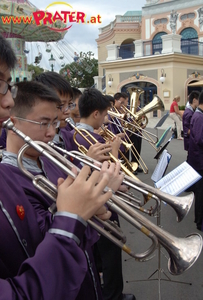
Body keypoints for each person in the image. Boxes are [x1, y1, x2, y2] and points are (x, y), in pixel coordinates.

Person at [0, 34, 113, 299]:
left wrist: (91, 208)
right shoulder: (9, 176)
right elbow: (37, 244)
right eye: (45, 122)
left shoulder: (50, 163)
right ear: (14, 121)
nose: (54, 130)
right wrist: (74, 217)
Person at [70, 88, 136, 300]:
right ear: (96, 113)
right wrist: (116, 150)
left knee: (105, 257)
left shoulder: (83, 134)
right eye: (106, 114)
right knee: (110, 258)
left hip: (100, 203)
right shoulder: (87, 138)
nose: (108, 119)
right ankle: (113, 296)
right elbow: (109, 173)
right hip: (102, 205)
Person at [187, 90, 203, 231]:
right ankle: (200, 221)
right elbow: (199, 139)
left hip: (198, 160)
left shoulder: (198, 115)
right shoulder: (199, 117)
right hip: (200, 161)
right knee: (201, 193)